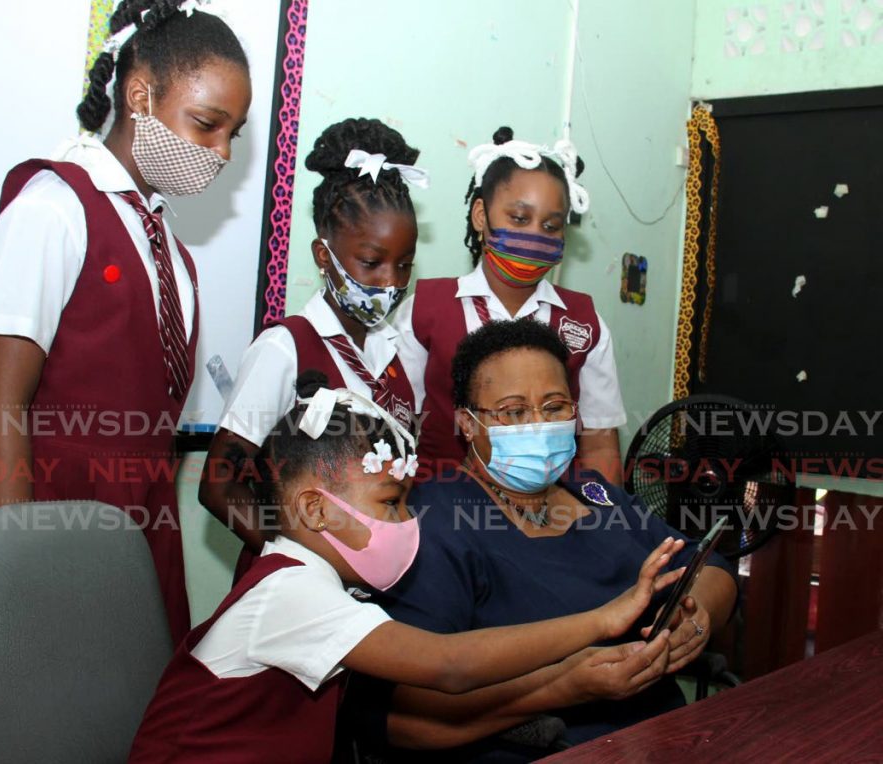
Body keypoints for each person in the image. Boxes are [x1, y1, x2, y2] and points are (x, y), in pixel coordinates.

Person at [0, 3, 251, 761]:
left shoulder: (172, 255)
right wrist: (20, 571)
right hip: (37, 525)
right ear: (141, 95)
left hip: (133, 539)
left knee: (112, 734)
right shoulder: (55, 206)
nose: (218, 153)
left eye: (232, 137)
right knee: (11, 728)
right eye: (207, 124)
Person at [128, 372, 682, 763]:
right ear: (315, 509)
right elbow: (449, 667)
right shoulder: (291, 591)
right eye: (390, 503)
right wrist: (602, 621)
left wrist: (569, 680)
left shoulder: (323, 587)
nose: (407, 521)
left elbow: (441, 708)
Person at [345, 319, 738, 760]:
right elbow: (400, 720)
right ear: (467, 424)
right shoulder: (436, 524)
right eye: (513, 412)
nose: (538, 425)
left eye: (554, 407)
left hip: (667, 738)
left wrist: (695, 617)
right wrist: (561, 689)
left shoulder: (595, 492)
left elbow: (712, 569)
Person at [199, 117, 428, 557]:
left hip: (377, 585)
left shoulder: (399, 352)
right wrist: (297, 562)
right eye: (371, 262)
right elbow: (218, 485)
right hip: (302, 590)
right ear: (324, 255)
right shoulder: (284, 349)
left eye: (404, 264)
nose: (390, 281)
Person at [394, 126, 626, 484]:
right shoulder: (425, 310)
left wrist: (605, 524)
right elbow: (396, 429)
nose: (534, 235)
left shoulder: (583, 322)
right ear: (480, 216)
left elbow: (600, 445)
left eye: (551, 225)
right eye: (519, 218)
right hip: (441, 512)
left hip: (552, 520)